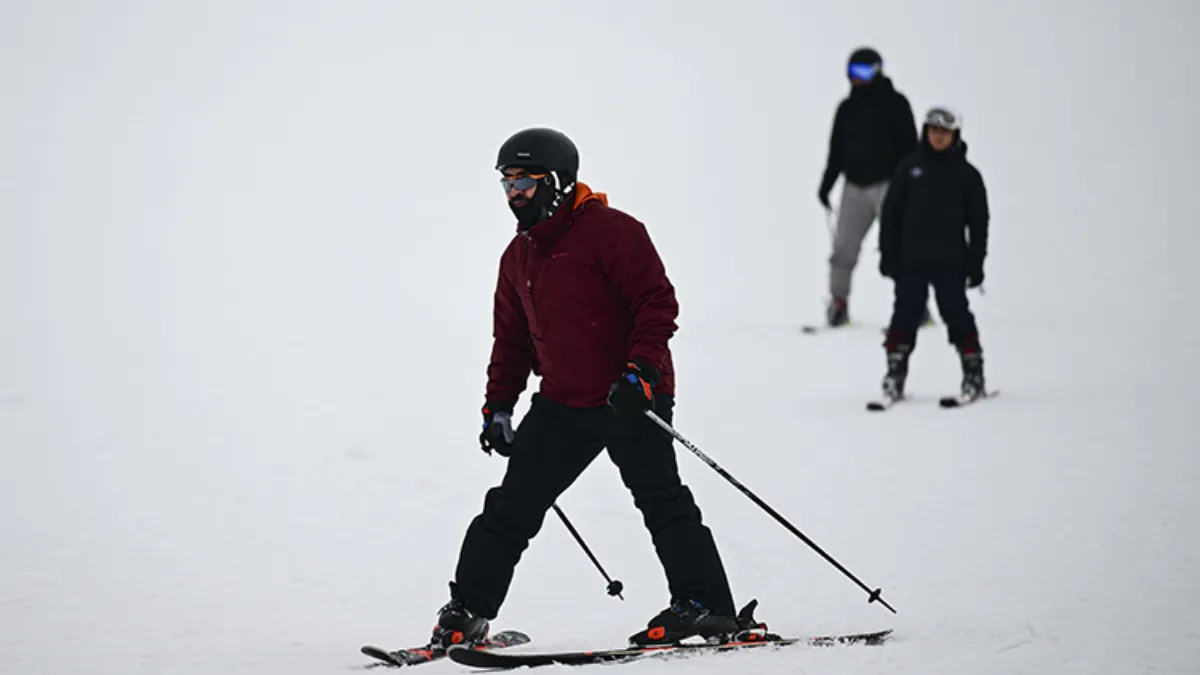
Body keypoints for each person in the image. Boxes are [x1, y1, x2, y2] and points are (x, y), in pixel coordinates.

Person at [428, 127, 769, 650]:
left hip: (627, 397)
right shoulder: (517, 257)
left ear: (559, 182)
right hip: (563, 401)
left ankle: (705, 608)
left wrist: (641, 373)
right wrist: (498, 405)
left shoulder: (613, 232)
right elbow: (512, 341)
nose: (514, 193)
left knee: (661, 500)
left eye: (525, 181)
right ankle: (467, 613)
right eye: (507, 182)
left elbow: (657, 304)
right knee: (509, 508)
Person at [877, 106, 990, 400]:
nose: (938, 137)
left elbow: (979, 223)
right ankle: (895, 375)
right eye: (933, 131)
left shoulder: (967, 175)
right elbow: (891, 214)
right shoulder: (908, 169)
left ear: (955, 135)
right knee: (905, 315)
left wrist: (976, 262)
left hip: (951, 262)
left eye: (945, 132)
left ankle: (973, 374)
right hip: (910, 261)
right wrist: (888, 254)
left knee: (956, 314)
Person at [818, 46, 924, 327]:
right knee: (843, 249)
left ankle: (915, 304)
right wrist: (826, 185)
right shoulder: (846, 109)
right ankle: (838, 304)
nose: (859, 78)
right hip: (854, 187)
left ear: (878, 71)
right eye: (854, 72)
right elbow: (836, 152)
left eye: (865, 72)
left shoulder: (896, 104)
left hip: (889, 186)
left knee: (899, 248)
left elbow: (911, 149)